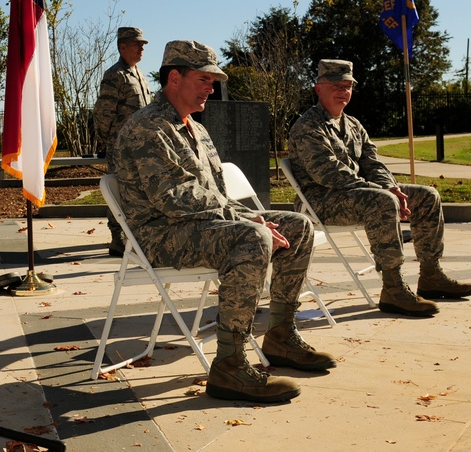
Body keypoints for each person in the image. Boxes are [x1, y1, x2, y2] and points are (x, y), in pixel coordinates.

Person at [115, 40, 335, 403]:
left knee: (298, 226)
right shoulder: (147, 128)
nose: (210, 87)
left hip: (198, 224)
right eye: (203, 79)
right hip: (160, 233)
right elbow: (174, 198)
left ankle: (280, 336)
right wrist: (249, 221)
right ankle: (230, 367)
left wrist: (249, 215)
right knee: (251, 239)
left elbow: (214, 193)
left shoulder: (196, 129)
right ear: (174, 77)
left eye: (212, 80)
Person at [287, 59, 471, 318]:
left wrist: (391, 187)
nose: (343, 91)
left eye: (348, 85)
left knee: (427, 196)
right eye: (336, 85)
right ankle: (393, 289)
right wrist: (386, 193)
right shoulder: (307, 127)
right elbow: (329, 174)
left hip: (358, 193)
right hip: (321, 200)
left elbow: (373, 162)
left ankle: (431, 275)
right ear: (319, 89)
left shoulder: (353, 124)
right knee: (381, 201)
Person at [93, 26, 152, 256]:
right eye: (137, 44)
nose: (141, 48)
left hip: (141, 147)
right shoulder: (115, 75)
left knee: (138, 193)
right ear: (122, 46)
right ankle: (117, 237)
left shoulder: (139, 75)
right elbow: (103, 112)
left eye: (143, 44)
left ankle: (134, 235)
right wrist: (104, 141)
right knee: (120, 191)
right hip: (121, 147)